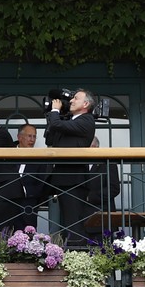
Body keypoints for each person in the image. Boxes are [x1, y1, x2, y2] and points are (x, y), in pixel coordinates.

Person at [44, 89, 98, 243]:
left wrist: (55, 110)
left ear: (86, 104)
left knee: (74, 225)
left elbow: (57, 124)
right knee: (68, 223)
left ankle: (77, 258)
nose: (71, 101)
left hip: (74, 180)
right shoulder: (70, 121)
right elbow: (50, 139)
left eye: (76, 98)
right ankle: (71, 255)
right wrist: (55, 115)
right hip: (64, 179)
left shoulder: (87, 120)